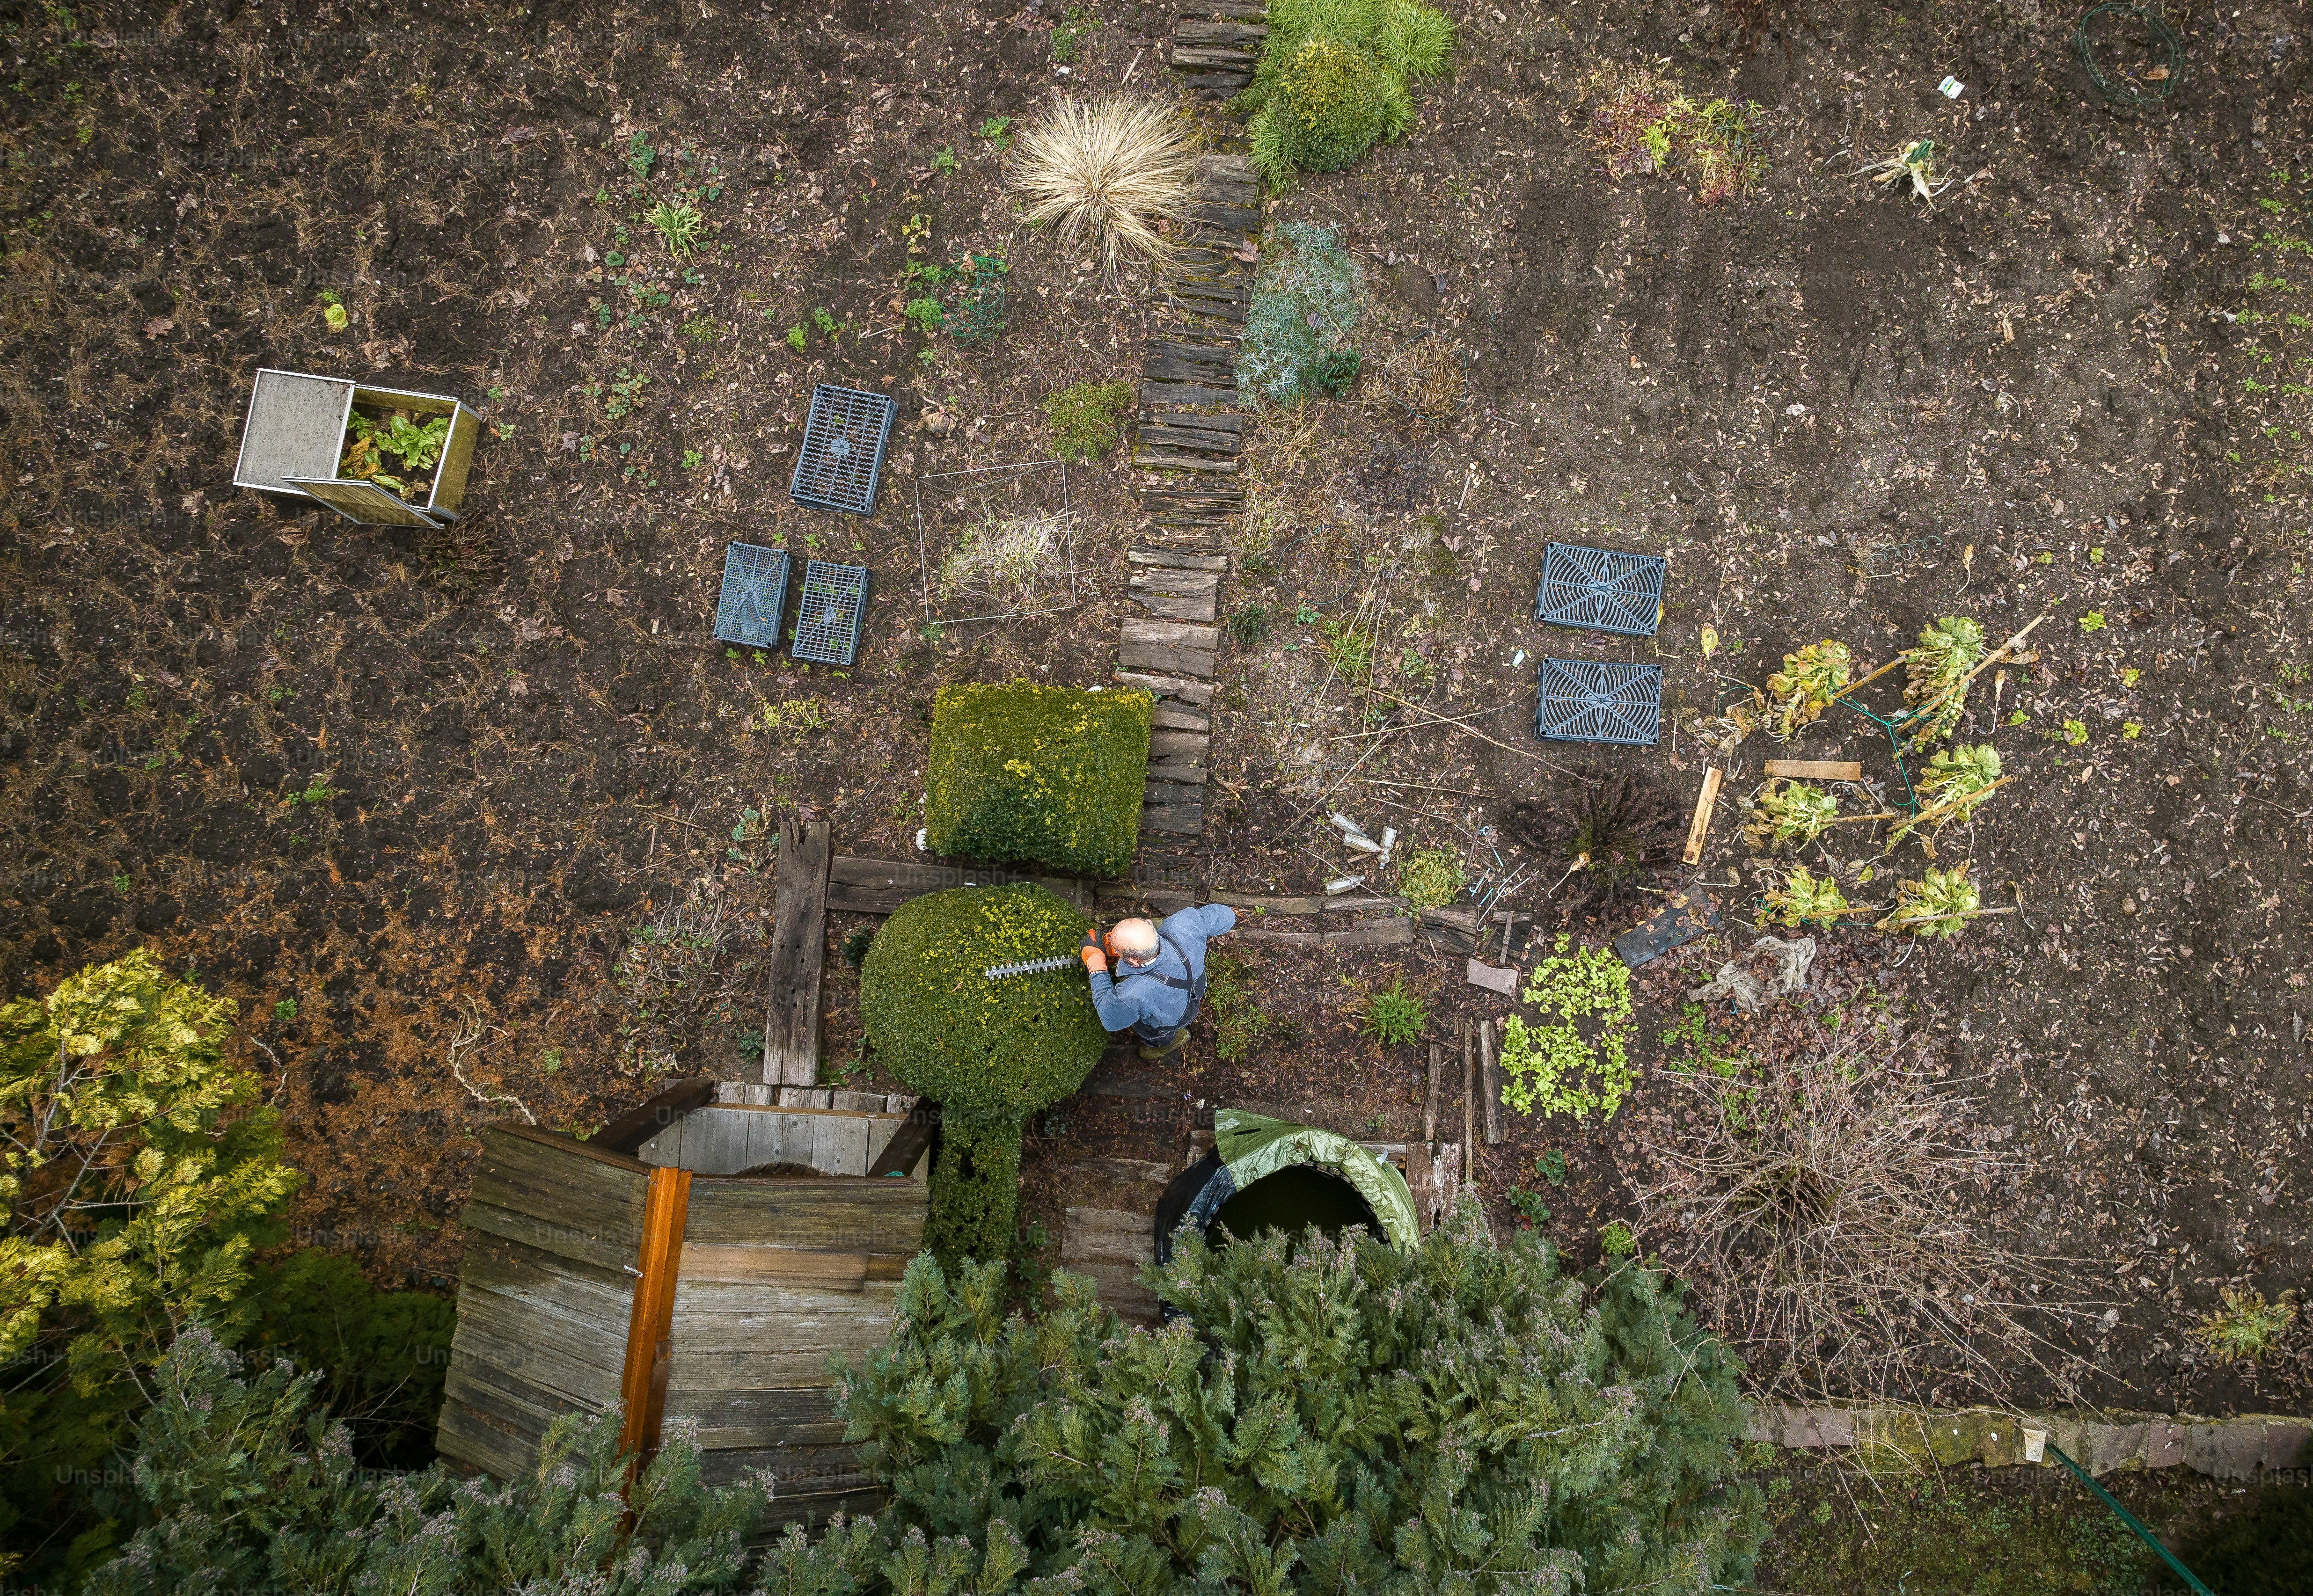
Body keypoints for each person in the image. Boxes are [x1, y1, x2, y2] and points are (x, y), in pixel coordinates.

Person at [1079, 904, 1237, 1063]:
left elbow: (1110, 1016)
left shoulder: (1135, 994)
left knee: (1157, 1035)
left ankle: (1170, 1042)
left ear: (1134, 962)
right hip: (1196, 985)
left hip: (1171, 1019)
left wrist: (1096, 965)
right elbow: (1227, 916)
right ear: (1150, 924)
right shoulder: (1184, 922)